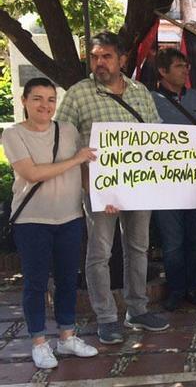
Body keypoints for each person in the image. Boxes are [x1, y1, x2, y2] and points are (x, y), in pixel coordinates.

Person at [54, 31, 170, 344]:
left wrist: (192, 147)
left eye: (106, 56)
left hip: (138, 187)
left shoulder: (139, 91)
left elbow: (157, 136)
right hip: (98, 188)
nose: (100, 62)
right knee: (99, 253)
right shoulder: (78, 94)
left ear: (121, 59)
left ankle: (137, 310)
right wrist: (87, 184)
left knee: (138, 248)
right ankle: (106, 318)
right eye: (94, 57)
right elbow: (62, 141)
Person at [3, 78, 99, 368]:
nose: (45, 105)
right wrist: (74, 160)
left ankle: (67, 336)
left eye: (50, 99)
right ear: (24, 101)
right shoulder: (12, 134)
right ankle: (39, 341)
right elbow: (32, 173)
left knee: (68, 279)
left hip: (70, 217)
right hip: (32, 221)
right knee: (35, 283)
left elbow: (87, 165)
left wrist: (102, 193)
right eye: (37, 99)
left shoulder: (68, 130)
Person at [150, 47, 196, 312]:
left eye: (186, 65)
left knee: (195, 239)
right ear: (163, 71)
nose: (185, 69)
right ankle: (175, 289)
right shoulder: (150, 100)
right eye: (178, 66)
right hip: (165, 185)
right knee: (173, 241)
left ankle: (193, 287)